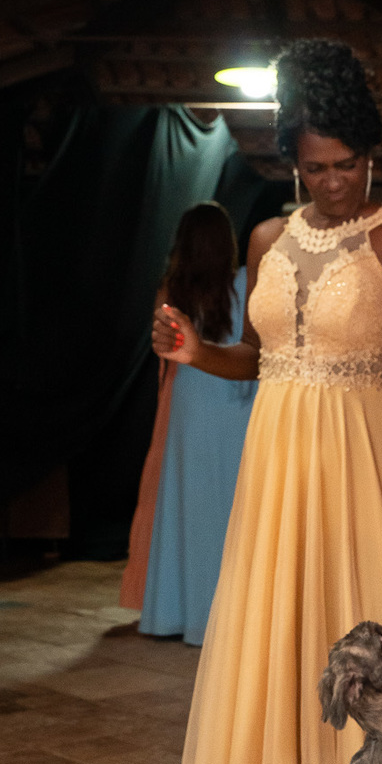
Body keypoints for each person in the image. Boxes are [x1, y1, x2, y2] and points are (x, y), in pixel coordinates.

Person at [154, 40, 382, 764]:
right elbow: (255, 361)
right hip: (277, 458)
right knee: (276, 624)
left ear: (372, 154)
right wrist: (192, 351)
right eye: (319, 167)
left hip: (364, 451)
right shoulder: (265, 237)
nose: (338, 182)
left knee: (368, 622)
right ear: (292, 162)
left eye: (352, 164)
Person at [125, 202, 257, 646]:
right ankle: (226, 619)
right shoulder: (244, 284)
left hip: (190, 399)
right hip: (235, 396)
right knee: (229, 509)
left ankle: (176, 614)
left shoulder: (173, 289)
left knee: (188, 505)